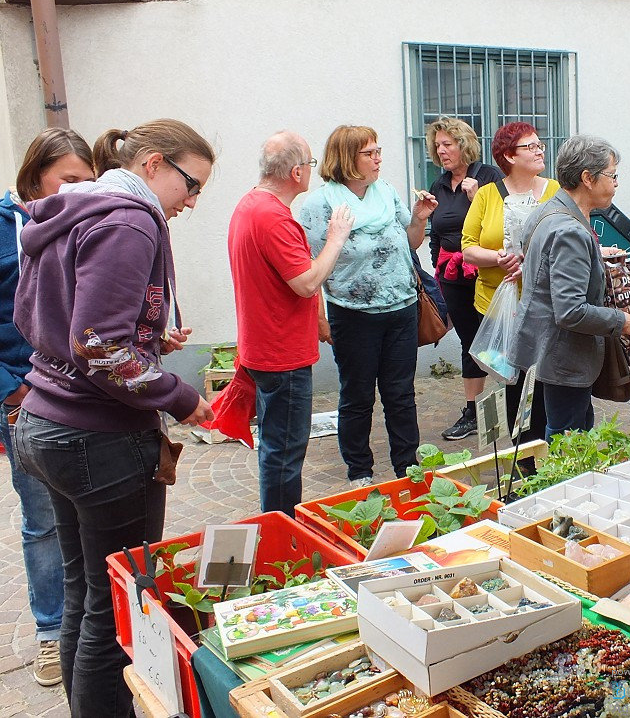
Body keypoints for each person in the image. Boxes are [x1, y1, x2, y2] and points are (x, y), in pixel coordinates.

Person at [12, 120, 216, 718]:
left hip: (45, 421)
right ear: (153, 164)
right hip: (95, 440)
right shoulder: (129, 218)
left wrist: (146, 348)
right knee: (116, 609)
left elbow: (40, 320)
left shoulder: (73, 207)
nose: (192, 202)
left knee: (84, 597)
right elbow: (98, 345)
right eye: (192, 184)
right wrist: (178, 396)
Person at [1, 129, 95, 688]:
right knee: (42, 521)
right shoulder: (4, 227)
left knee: (89, 515)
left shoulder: (91, 225)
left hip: (82, 403)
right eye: (69, 180)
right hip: (25, 401)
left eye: (89, 180)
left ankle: (95, 624)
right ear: (35, 179)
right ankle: (50, 632)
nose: (82, 190)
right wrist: (11, 387)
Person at [300, 126, 437, 485]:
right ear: (347, 158)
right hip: (353, 315)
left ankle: (409, 469)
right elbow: (311, 266)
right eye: (370, 153)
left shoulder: (387, 192)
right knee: (358, 397)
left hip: (401, 309)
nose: (378, 159)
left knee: (401, 395)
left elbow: (410, 242)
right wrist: (319, 320)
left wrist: (420, 218)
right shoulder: (321, 205)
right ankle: (359, 472)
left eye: (379, 151)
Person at [228, 131, 353, 514]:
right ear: (296, 172)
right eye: (311, 164)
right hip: (282, 355)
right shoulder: (274, 218)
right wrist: (335, 238)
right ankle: (281, 530)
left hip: (263, 346)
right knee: (283, 452)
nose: (312, 172)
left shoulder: (249, 204)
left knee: (276, 446)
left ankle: (277, 523)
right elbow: (307, 282)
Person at [510, 135, 630, 438]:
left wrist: (596, 254)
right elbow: (570, 311)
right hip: (564, 357)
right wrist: (622, 320)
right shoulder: (570, 231)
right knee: (567, 441)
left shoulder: (549, 211)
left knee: (555, 430)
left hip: (543, 349)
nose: (616, 183)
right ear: (587, 178)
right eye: (612, 175)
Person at [462, 122, 558, 443]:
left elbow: (565, 241)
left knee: (545, 381)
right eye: (530, 146)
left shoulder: (555, 191)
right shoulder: (488, 195)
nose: (540, 150)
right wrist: (498, 258)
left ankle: (548, 446)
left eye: (539, 144)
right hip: (496, 305)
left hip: (544, 305)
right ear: (509, 156)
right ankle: (522, 453)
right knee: (513, 382)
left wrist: (531, 264)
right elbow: (468, 246)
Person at [425, 116, 501, 441]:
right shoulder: (439, 185)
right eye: (437, 145)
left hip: (487, 272)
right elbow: (436, 234)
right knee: (470, 344)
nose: (442, 151)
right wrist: (437, 271)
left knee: (498, 341)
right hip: (452, 276)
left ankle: (509, 403)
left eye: (448, 144)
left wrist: (477, 197)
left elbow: (502, 224)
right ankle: (473, 413)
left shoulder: (489, 177)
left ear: (463, 144)